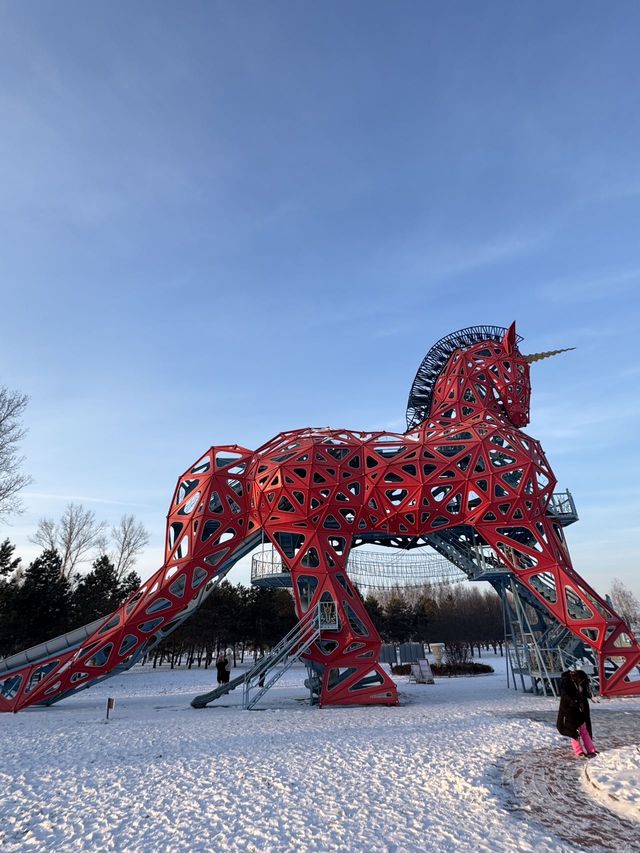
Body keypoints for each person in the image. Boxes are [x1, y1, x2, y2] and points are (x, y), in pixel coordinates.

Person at [556, 669, 598, 758]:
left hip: (580, 710)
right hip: (570, 711)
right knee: (574, 732)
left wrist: (589, 697)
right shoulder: (567, 683)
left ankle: (591, 749)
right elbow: (565, 696)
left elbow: (584, 692)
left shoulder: (578, 683)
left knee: (584, 730)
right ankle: (579, 751)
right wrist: (574, 700)